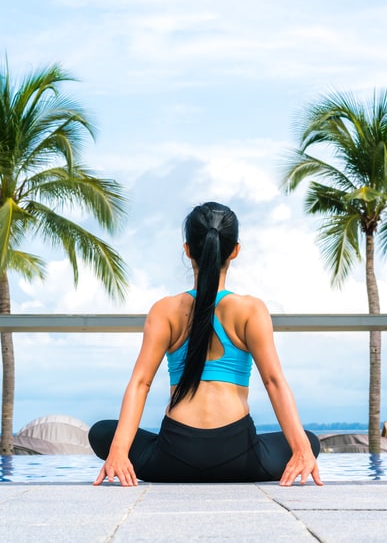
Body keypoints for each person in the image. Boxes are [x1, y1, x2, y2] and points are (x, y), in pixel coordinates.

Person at [90, 202, 322, 486]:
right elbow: (273, 381)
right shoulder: (251, 310)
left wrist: (118, 453)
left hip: (173, 458)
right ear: (235, 250)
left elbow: (141, 383)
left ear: (187, 250)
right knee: (310, 441)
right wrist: (301, 450)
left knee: (101, 432)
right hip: (239, 458)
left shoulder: (165, 310)